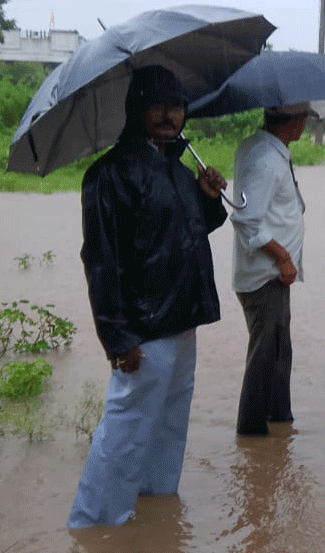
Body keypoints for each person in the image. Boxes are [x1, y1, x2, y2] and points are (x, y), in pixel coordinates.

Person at [68, 64, 229, 528]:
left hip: (183, 320)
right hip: (142, 332)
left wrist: (208, 198)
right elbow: (101, 259)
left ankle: (157, 512)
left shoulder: (179, 171)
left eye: (176, 105)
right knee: (125, 431)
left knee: (168, 426)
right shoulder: (110, 174)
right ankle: (95, 525)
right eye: (157, 104)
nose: (168, 114)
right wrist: (118, 340)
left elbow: (190, 231)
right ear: (137, 109)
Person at [228, 103, 311, 436]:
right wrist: (283, 257)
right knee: (266, 354)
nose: (305, 125)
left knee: (278, 350)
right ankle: (252, 433)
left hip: (273, 275)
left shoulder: (270, 150)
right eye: (305, 118)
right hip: (266, 275)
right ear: (292, 121)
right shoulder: (264, 159)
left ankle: (279, 422)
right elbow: (246, 221)